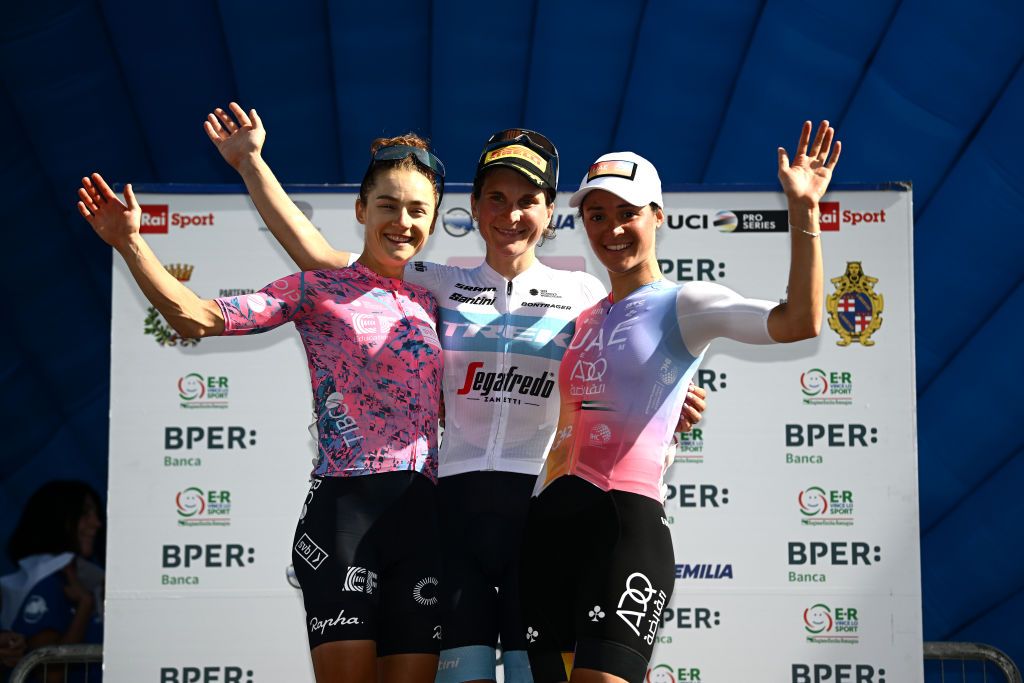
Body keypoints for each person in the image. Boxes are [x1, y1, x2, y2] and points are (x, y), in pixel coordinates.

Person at [203, 104, 707, 683]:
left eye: (528, 201)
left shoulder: (583, 294)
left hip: (541, 516)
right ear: (473, 208)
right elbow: (323, 259)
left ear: (548, 213)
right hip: (451, 516)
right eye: (496, 197)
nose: (511, 214)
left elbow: (637, 365)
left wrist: (673, 403)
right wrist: (251, 165)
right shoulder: (436, 283)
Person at [76, 135, 447, 683]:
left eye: (418, 210)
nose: (403, 221)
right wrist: (130, 242)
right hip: (345, 519)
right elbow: (195, 318)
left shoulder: (437, 299)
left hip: (423, 520)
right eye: (388, 205)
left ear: (434, 220)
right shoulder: (318, 290)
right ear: (361, 209)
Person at [516, 120, 840, 683]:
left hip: (623, 528)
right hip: (550, 528)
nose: (612, 228)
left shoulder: (686, 303)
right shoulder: (584, 317)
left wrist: (804, 211)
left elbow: (799, 322)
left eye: (627, 213)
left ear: (657, 218)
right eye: (597, 215)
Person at [1, 480, 105, 682]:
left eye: (96, 514)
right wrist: (85, 606)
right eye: (85, 513)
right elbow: (50, 675)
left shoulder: (87, 580)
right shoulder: (50, 583)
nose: (97, 523)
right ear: (58, 518)